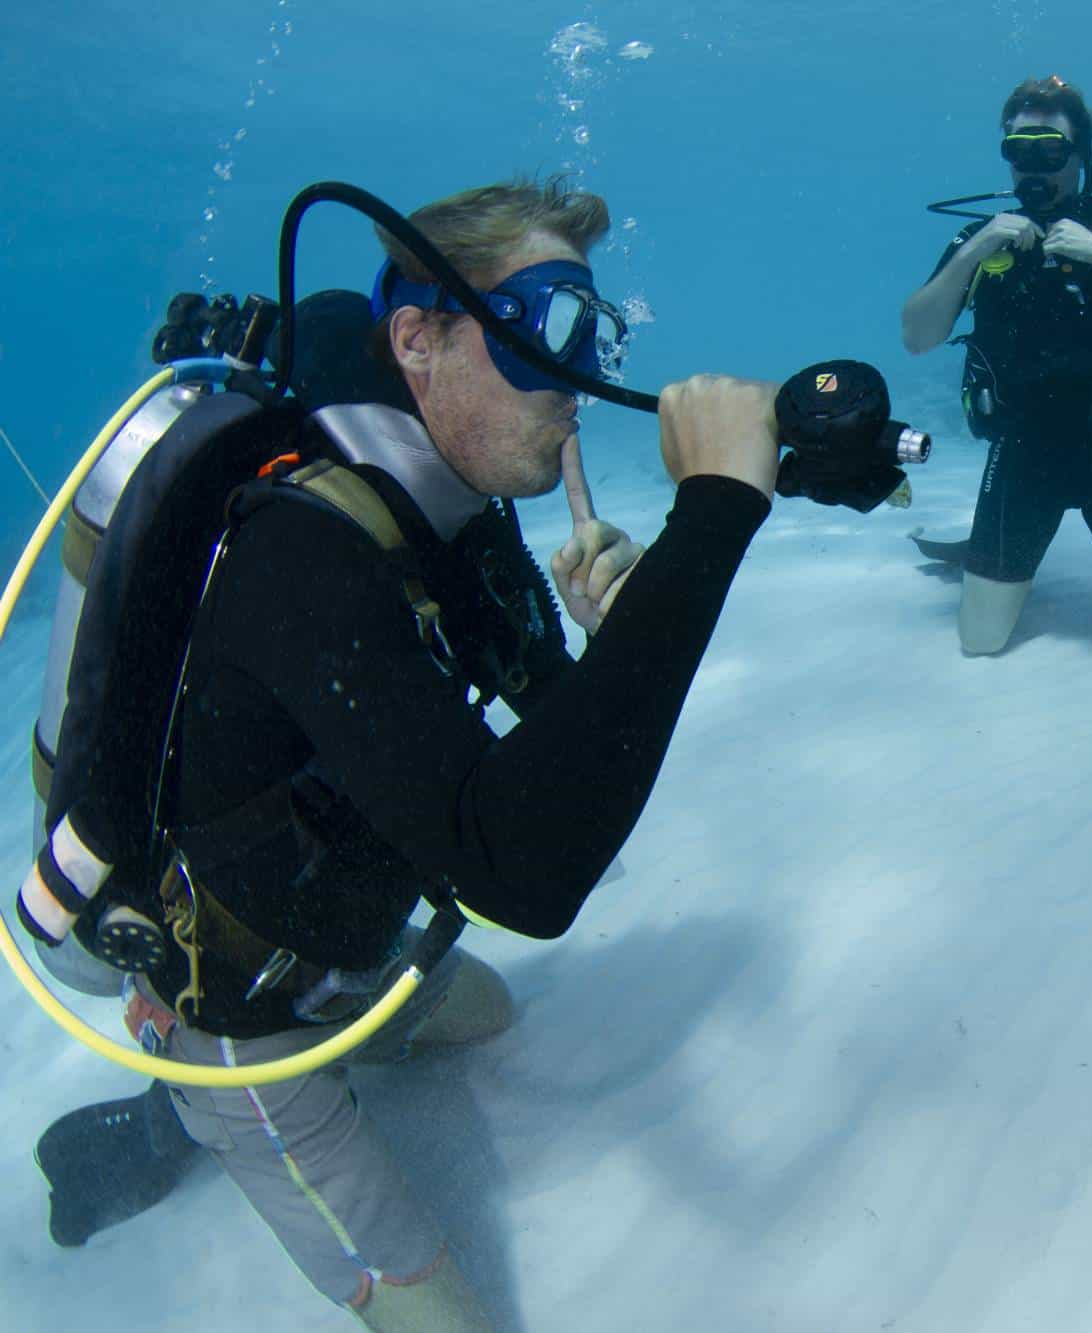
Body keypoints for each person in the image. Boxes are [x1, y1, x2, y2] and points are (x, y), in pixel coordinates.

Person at [31, 179, 782, 1327]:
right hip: (241, 1006)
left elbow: (562, 746)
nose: (581, 380)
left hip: (354, 934)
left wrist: (607, 635)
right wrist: (715, 511)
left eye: (598, 333)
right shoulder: (300, 551)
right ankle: (175, 1105)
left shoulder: (452, 519)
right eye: (548, 333)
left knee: (489, 1019)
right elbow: (524, 872)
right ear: (417, 342)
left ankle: (303, 1037)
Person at [901, 75, 1092, 657]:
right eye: (1018, 152)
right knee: (981, 642)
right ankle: (989, 552)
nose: (1033, 168)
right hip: (1022, 452)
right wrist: (975, 249)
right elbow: (918, 336)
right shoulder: (984, 239)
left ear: (1080, 156)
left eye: (1050, 150)